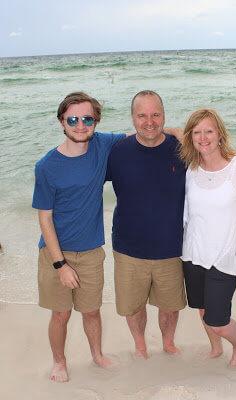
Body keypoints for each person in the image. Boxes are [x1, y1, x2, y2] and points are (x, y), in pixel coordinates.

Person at [32, 92, 126, 382]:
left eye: (88, 119)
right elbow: (45, 219)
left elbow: (143, 135)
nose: (81, 125)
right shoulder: (46, 166)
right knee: (60, 314)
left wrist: (178, 133)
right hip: (55, 253)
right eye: (73, 119)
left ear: (96, 122)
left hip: (90, 252)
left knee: (91, 311)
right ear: (62, 121)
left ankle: (97, 355)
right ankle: (59, 363)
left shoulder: (102, 144)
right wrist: (61, 265)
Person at [106, 90, 186, 359]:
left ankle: (168, 342)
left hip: (171, 247)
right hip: (128, 248)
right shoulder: (117, 152)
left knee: (171, 305)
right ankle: (140, 344)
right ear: (132, 118)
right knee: (133, 306)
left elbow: (216, 164)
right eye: (142, 115)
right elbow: (85, 176)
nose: (149, 121)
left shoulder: (182, 149)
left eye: (155, 114)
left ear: (164, 115)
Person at [179, 109, 236, 367]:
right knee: (201, 308)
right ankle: (215, 348)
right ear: (191, 137)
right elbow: (187, 216)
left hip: (225, 255)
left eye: (209, 131)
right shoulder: (190, 170)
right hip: (193, 253)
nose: (203, 137)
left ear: (220, 134)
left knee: (218, 320)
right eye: (197, 132)